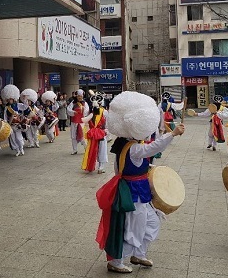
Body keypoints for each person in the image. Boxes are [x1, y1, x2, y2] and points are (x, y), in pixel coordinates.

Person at [95, 91, 185, 273]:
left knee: (152, 222)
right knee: (133, 229)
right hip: (133, 193)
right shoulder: (134, 147)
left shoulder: (123, 143)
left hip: (137, 190)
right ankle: (116, 261)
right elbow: (153, 148)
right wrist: (172, 134)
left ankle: (139, 253)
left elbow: (121, 168)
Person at [82, 92, 109, 173]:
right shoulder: (91, 112)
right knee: (96, 149)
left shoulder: (103, 112)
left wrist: (106, 131)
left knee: (99, 149)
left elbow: (107, 123)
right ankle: (96, 165)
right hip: (96, 132)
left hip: (99, 132)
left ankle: (100, 166)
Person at [2, 84, 28, 156]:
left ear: (13, 98)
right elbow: (5, 117)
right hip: (11, 124)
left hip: (17, 124)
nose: (10, 100)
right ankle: (17, 150)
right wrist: (6, 124)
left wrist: (25, 99)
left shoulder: (18, 105)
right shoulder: (6, 108)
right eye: (9, 99)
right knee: (13, 139)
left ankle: (21, 148)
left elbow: (25, 107)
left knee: (19, 138)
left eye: (11, 98)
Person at [67, 89, 89, 155]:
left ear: (82, 96)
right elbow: (68, 109)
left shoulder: (84, 103)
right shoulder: (73, 103)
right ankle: (74, 150)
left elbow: (86, 111)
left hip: (81, 122)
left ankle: (86, 148)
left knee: (82, 135)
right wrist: (73, 112)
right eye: (78, 96)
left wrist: (83, 111)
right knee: (73, 136)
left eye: (81, 96)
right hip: (74, 121)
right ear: (76, 96)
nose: (79, 97)